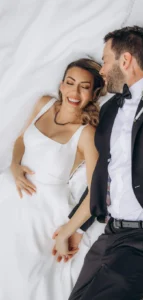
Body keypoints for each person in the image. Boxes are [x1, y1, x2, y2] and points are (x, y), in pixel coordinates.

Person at [53, 26, 143, 300]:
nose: (102, 70)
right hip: (109, 238)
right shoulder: (109, 110)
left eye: (105, 59)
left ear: (126, 60)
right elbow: (101, 175)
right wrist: (77, 227)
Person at [0, 58, 106, 300]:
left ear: (93, 93)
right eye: (70, 83)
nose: (75, 92)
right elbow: (19, 141)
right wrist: (15, 166)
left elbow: (95, 193)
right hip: (8, 191)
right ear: (61, 85)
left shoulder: (86, 134)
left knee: (21, 278)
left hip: (41, 212)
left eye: (84, 86)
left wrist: (67, 232)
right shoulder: (44, 104)